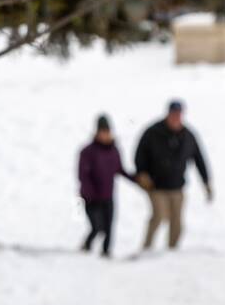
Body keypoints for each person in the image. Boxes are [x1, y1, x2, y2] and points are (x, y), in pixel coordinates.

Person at [134, 100, 212, 250]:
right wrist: (141, 173)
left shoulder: (188, 136)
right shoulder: (153, 132)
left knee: (177, 223)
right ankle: (147, 247)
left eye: (178, 114)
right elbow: (139, 154)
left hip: (177, 186)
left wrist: (206, 183)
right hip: (155, 186)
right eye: (173, 114)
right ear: (168, 114)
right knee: (159, 216)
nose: (175, 117)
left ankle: (172, 251)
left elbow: (199, 160)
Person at [78, 115, 135, 257]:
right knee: (97, 227)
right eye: (102, 131)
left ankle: (106, 252)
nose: (105, 134)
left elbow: (120, 170)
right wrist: (88, 193)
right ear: (97, 132)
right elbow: (83, 176)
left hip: (108, 196)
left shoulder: (113, 151)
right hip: (91, 198)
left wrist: (137, 179)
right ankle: (87, 245)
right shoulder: (87, 151)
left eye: (107, 131)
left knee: (109, 227)